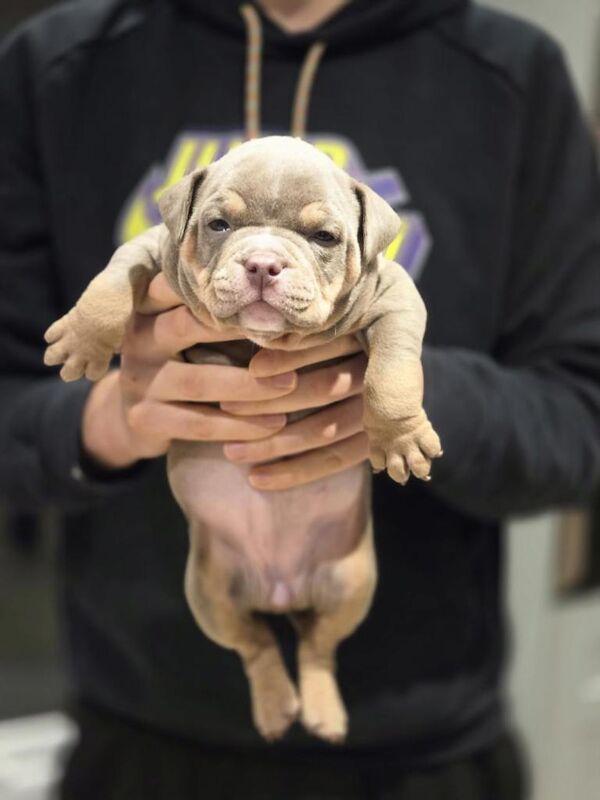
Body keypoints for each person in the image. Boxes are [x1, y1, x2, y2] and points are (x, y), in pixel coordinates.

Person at [1, 0, 599, 797]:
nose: (263, 266)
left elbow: (580, 424)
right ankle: (260, 659)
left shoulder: (510, 72)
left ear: (360, 231)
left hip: (421, 749)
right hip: (139, 734)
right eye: (226, 229)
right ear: (187, 213)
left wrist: (401, 399)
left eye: (317, 238)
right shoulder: (57, 61)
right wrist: (105, 419)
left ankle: (312, 660)